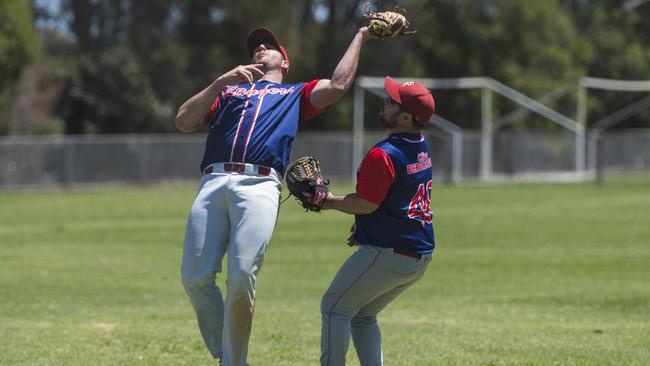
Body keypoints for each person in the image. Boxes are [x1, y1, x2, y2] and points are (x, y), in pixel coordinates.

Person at [174, 26, 374, 366]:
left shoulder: (295, 95)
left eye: (269, 46)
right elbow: (183, 120)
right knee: (194, 277)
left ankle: (233, 362)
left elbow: (338, 85)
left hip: (259, 185)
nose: (260, 49)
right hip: (213, 180)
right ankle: (226, 350)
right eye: (256, 47)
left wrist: (361, 35)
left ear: (285, 63)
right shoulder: (229, 93)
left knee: (241, 276)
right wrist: (222, 80)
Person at [319, 76, 436, 366]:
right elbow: (395, 198)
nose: (385, 102)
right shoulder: (419, 145)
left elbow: (367, 204)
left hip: (391, 252)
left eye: (392, 101)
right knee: (362, 315)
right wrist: (363, 228)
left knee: (335, 307)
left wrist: (325, 199)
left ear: (405, 117)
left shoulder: (383, 154)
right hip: (417, 255)